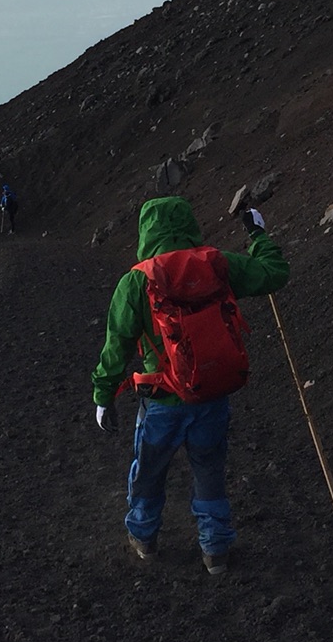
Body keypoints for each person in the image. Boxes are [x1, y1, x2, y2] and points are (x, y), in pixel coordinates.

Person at [90, 195, 288, 575]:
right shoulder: (217, 264)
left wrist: (103, 396)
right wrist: (258, 234)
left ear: (146, 230)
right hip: (212, 394)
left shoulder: (136, 282)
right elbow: (274, 273)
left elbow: (116, 349)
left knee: (150, 470)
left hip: (162, 400)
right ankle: (215, 550)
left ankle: (144, 538)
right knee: (209, 471)